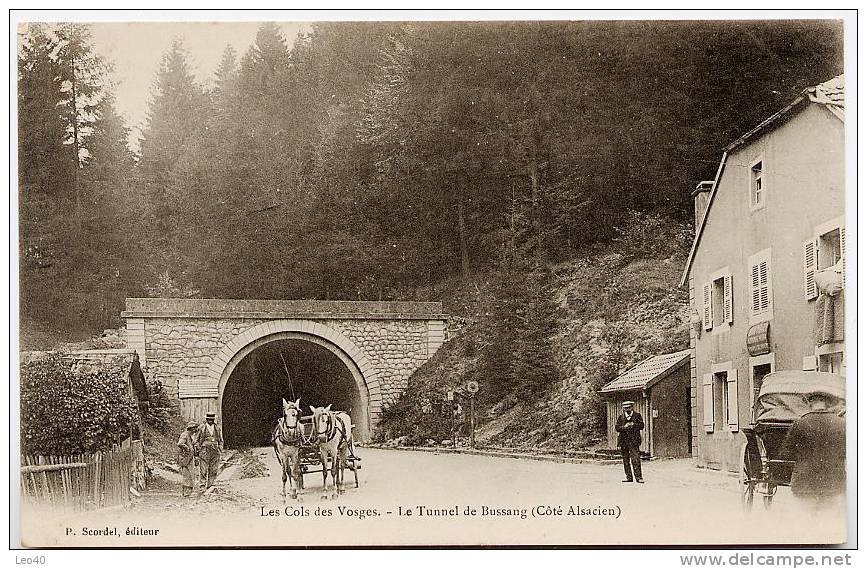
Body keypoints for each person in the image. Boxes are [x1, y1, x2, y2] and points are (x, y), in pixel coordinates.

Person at [782, 393, 846, 512]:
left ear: (810, 403)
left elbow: (786, 454)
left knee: (805, 526)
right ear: (828, 404)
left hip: (804, 485)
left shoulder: (799, 424)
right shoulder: (842, 424)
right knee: (830, 524)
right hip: (833, 484)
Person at [615, 400, 644, 483]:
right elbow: (617, 428)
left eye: (629, 408)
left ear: (632, 407)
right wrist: (624, 427)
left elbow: (642, 426)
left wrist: (634, 425)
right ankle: (629, 477)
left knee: (636, 459)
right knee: (625, 460)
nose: (627, 409)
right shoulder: (621, 417)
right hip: (624, 441)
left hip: (634, 441)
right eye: (625, 408)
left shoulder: (637, 416)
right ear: (623, 409)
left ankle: (639, 477)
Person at [196, 412, 223, 490]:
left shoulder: (217, 428)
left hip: (215, 450)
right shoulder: (201, 428)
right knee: (203, 469)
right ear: (206, 419)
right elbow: (196, 440)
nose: (210, 421)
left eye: (212, 419)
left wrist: (220, 447)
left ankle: (210, 485)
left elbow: (221, 440)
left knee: (214, 469)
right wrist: (198, 448)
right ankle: (202, 485)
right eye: (209, 419)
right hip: (204, 450)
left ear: (214, 419)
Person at [177, 421, 200, 497]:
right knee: (187, 474)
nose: (195, 430)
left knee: (191, 474)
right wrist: (187, 449)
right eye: (195, 428)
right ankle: (186, 492)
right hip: (185, 458)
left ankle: (189, 492)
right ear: (191, 429)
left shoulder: (190, 436)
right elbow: (180, 444)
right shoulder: (184, 435)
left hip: (190, 458)